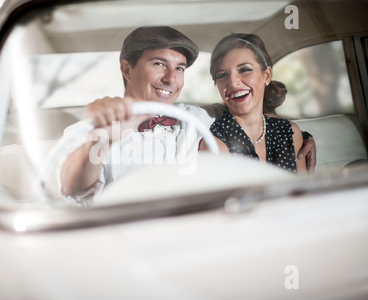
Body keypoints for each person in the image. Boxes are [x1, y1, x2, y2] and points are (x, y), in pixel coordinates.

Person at [59, 26, 315, 205]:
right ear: (127, 68)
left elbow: (247, 108)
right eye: (159, 64)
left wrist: (303, 136)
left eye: (179, 68)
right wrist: (101, 137)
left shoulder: (198, 117)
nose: (171, 78)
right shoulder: (88, 131)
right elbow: (74, 188)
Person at [201, 33, 307, 173]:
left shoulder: (291, 133)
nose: (233, 82)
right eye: (222, 75)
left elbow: (303, 192)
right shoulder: (214, 145)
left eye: (244, 69)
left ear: (267, 75)